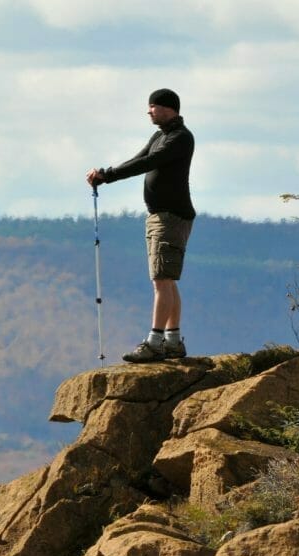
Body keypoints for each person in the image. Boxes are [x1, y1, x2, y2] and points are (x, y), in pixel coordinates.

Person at [86, 88, 195, 363]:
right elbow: (139, 158)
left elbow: (149, 162)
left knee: (162, 280)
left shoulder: (181, 138)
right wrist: (105, 174)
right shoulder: (160, 136)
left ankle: (155, 342)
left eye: (153, 106)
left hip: (171, 217)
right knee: (166, 279)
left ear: (168, 108)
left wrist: (109, 176)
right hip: (160, 216)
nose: (149, 111)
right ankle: (172, 341)